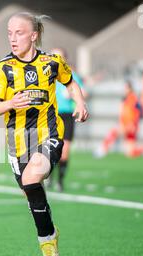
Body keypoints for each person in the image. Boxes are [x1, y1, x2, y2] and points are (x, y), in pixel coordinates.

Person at [0, 12, 89, 256]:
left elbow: (70, 82)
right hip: (17, 143)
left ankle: (45, 239)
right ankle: (51, 231)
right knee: (29, 190)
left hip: (49, 134)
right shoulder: (3, 68)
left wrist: (80, 101)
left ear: (33, 35)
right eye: (9, 33)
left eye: (19, 33)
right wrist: (10, 103)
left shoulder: (52, 62)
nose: (12, 38)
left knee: (32, 178)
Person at [46, 47, 87, 192]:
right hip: (50, 116)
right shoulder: (45, 74)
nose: (55, 59)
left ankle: (60, 181)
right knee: (50, 150)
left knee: (65, 151)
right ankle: (50, 176)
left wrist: (75, 96)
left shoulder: (71, 76)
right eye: (53, 55)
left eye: (58, 56)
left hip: (67, 117)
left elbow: (83, 92)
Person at [95, 81, 143, 158]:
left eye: (126, 88)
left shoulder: (132, 98)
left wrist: (133, 123)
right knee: (130, 153)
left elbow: (138, 111)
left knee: (114, 132)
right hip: (126, 123)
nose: (124, 90)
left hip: (129, 124)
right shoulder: (126, 98)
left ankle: (103, 149)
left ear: (130, 88)